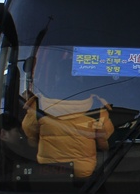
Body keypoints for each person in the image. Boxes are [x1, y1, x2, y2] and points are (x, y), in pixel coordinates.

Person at [21, 46, 114, 178]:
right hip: (84, 172)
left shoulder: (38, 105)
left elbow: (29, 134)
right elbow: (104, 142)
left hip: (49, 171)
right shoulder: (97, 107)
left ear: (57, 74)